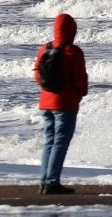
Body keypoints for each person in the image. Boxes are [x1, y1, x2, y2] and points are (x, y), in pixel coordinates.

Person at [33, 13, 89, 194]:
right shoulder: (73, 51)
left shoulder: (45, 48)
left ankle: (44, 181)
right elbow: (81, 80)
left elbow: (37, 76)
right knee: (60, 143)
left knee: (49, 142)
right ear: (72, 29)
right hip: (65, 104)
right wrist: (80, 93)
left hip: (46, 102)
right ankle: (52, 182)